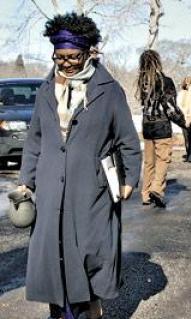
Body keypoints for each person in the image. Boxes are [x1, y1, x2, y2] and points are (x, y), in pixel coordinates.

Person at [17, 12, 141, 319]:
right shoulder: (46, 89)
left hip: (92, 190)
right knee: (53, 255)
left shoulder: (109, 90)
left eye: (73, 57)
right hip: (49, 188)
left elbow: (127, 139)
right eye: (60, 57)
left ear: (88, 53)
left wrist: (129, 180)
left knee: (88, 254)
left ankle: (89, 309)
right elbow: (35, 139)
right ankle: (61, 312)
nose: (66, 63)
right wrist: (26, 180)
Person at [138, 50, 186, 208]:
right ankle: (157, 189)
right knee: (163, 159)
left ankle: (145, 194)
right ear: (157, 62)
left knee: (149, 162)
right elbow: (170, 107)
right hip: (161, 125)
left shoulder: (142, 81)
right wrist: (183, 122)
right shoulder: (165, 81)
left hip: (146, 125)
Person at [178, 76, 191, 162]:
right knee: (186, 138)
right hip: (184, 118)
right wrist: (184, 113)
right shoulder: (182, 93)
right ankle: (188, 154)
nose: (188, 85)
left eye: (190, 83)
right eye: (187, 83)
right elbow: (179, 105)